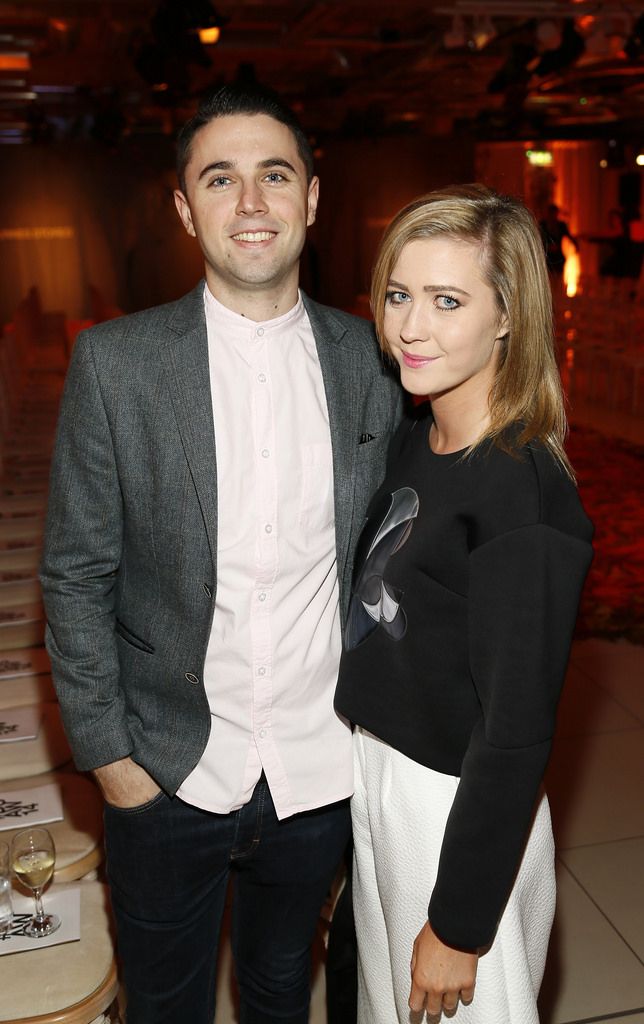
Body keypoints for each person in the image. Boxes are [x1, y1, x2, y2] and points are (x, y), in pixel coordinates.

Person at [40, 82, 402, 1024]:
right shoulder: (117, 365)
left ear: (311, 198)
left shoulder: (379, 363)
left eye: (274, 175)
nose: (250, 204)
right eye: (220, 178)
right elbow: (75, 573)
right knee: (167, 1005)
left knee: (284, 989)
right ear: (182, 205)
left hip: (319, 769)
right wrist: (111, 758)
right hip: (165, 768)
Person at [335, 184, 593, 1023]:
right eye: (400, 294)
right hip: (383, 773)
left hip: (450, 803)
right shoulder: (422, 437)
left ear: (508, 315)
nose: (411, 326)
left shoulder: (523, 495)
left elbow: (515, 732)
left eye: (448, 301)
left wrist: (459, 923)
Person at [539, 202, 578, 276]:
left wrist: (576, 245)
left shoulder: (561, 225)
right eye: (551, 213)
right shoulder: (542, 225)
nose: (552, 216)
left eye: (554, 213)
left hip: (558, 258)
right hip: (546, 257)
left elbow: (569, 236)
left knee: (558, 276)